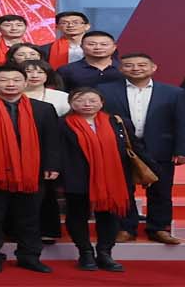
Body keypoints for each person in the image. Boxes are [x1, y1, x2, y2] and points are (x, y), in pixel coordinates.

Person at [0, 66, 61, 273]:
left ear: (25, 83)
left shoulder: (43, 109)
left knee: (30, 216)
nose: (10, 84)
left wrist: (51, 165)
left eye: (16, 80)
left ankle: (29, 256)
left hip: (32, 170)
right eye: (3, 80)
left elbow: (52, 140)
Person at [100, 53, 185, 245]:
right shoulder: (104, 90)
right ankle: (126, 228)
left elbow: (183, 122)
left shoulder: (174, 93)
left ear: (153, 67)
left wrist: (183, 150)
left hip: (160, 147)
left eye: (142, 65)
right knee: (122, 189)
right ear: (121, 68)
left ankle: (159, 228)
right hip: (120, 147)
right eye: (129, 65)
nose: (136, 68)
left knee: (161, 189)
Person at [60, 88, 132, 272]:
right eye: (80, 100)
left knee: (109, 215)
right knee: (77, 215)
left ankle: (105, 253)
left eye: (92, 100)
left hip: (112, 177)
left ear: (101, 103)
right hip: (77, 176)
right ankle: (85, 252)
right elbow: (55, 149)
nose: (87, 104)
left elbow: (134, 146)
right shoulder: (62, 123)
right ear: (71, 103)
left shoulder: (116, 121)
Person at [58, 31, 123, 91]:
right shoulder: (66, 70)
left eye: (104, 44)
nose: (98, 47)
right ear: (81, 46)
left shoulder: (123, 68)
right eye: (91, 44)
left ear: (114, 47)